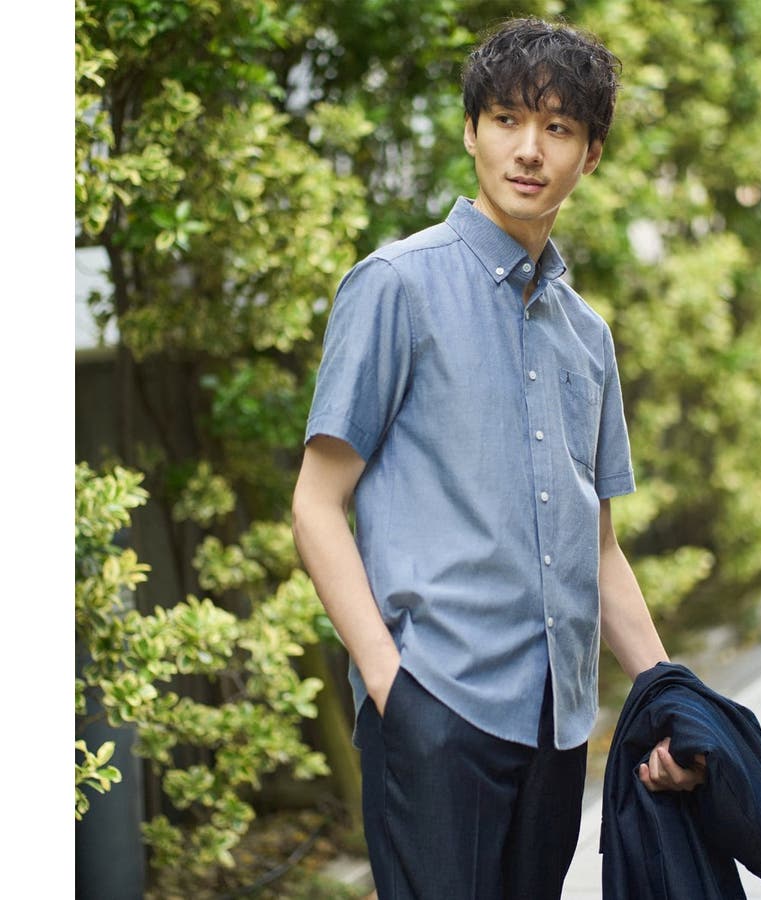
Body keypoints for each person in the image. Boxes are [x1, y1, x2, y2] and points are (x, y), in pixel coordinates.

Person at [292, 17, 705, 900]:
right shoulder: (396, 286)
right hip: (436, 708)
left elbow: (599, 550)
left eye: (558, 128)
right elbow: (316, 504)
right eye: (508, 120)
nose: (529, 149)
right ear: (471, 131)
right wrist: (391, 686)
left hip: (557, 728)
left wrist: (671, 701)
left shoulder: (587, 337)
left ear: (590, 155)